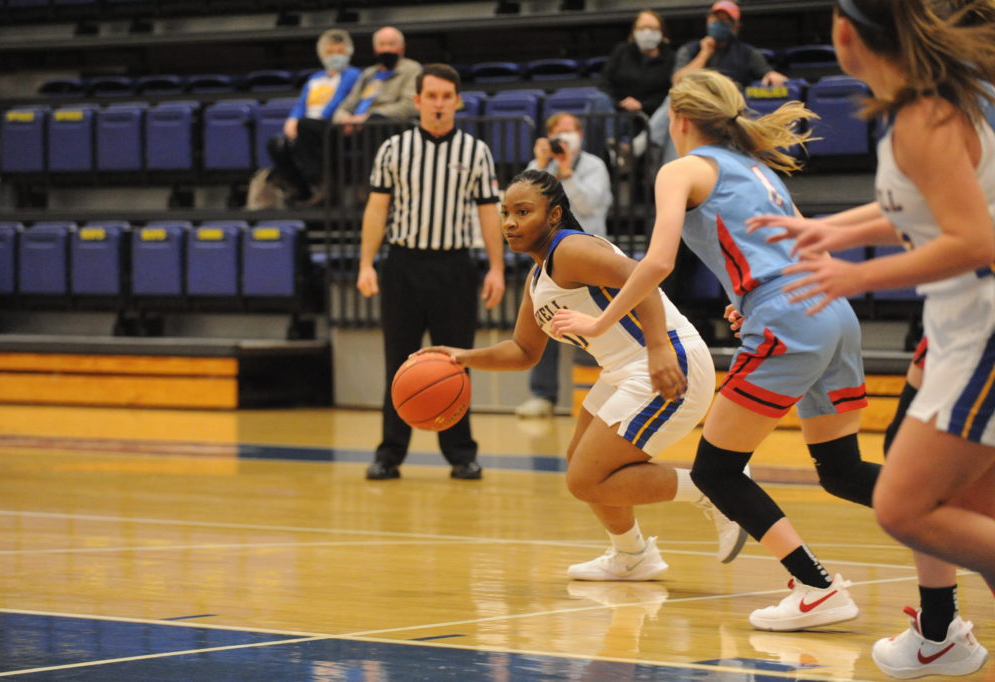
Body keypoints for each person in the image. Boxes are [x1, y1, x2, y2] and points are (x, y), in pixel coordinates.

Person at [552, 68, 882, 632]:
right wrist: (752, 299)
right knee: (843, 471)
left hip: (788, 318)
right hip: (831, 309)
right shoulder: (758, 168)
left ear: (679, 120)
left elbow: (657, 262)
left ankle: (817, 587)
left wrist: (601, 318)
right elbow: (805, 247)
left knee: (716, 471)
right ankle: (959, 514)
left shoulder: (681, 168)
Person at [746, 0, 995, 675]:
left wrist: (856, 275)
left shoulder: (923, 117)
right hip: (962, 328)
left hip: (982, 328)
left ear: (846, 32)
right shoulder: (942, 101)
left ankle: (942, 637)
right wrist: (836, 230)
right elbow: (928, 206)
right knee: (972, 508)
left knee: (904, 506)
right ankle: (942, 640)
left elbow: (973, 240)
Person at [421, 168, 747, 579]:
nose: (510, 223)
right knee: (580, 461)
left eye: (523, 212)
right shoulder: (539, 277)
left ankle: (719, 489)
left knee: (586, 478)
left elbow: (642, 277)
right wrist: (462, 357)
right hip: (623, 370)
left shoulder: (570, 250)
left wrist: (658, 348)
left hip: (665, 360)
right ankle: (632, 555)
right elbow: (523, 351)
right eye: (506, 213)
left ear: (554, 214)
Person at [357, 63, 506, 481]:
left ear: (457, 101)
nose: (439, 104)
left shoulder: (475, 152)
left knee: (457, 364)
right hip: (403, 266)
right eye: (432, 96)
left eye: (446, 96)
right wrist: (366, 263)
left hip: (455, 267)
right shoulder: (393, 149)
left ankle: (461, 453)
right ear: (417, 100)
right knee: (398, 362)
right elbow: (376, 209)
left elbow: (489, 213)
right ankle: (390, 453)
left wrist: (496, 267)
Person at [516, 112, 612, 418]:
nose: (565, 137)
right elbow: (521, 202)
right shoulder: (539, 166)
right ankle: (542, 395)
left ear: (580, 135)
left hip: (590, 258)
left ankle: (608, 391)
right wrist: (541, 164)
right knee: (546, 323)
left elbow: (589, 205)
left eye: (571, 131)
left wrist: (568, 171)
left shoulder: (594, 165)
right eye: (559, 132)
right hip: (549, 258)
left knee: (599, 327)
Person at [644, 1, 788, 166]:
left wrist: (771, 75)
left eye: (724, 21)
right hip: (695, 111)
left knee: (675, 106)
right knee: (676, 103)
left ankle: (643, 142)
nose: (718, 23)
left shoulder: (747, 53)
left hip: (727, 115)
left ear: (735, 26)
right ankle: (674, 166)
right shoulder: (691, 50)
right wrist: (704, 53)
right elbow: (678, 82)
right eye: (715, 19)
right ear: (707, 20)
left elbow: (768, 73)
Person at [265, 29, 361, 206]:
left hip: (332, 126)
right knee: (277, 144)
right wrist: (292, 121)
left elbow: (339, 101)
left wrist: (307, 123)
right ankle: (303, 191)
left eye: (340, 51)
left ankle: (323, 185)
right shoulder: (314, 79)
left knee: (306, 126)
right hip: (306, 127)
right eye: (330, 52)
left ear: (349, 52)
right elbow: (301, 104)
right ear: (322, 55)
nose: (335, 56)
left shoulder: (352, 75)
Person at [332, 26, 420, 134]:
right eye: (382, 44)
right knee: (316, 126)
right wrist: (344, 119)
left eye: (391, 44)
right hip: (356, 127)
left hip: (387, 126)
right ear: (375, 49)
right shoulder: (368, 74)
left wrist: (369, 117)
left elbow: (410, 105)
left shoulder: (411, 69)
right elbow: (346, 105)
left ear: (402, 48)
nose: (386, 49)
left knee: (376, 120)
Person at [599, 10, 675, 121]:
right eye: (642, 28)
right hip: (618, 112)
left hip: (653, 115)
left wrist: (642, 105)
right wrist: (620, 103)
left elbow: (668, 93)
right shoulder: (621, 52)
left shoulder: (670, 58)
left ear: (662, 33)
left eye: (653, 28)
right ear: (634, 32)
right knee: (598, 99)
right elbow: (605, 83)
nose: (647, 32)